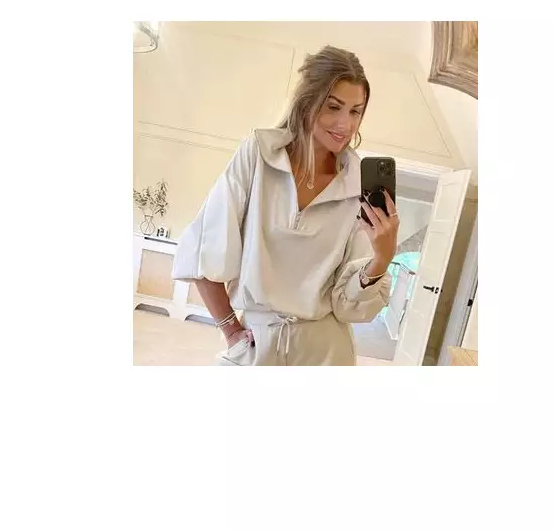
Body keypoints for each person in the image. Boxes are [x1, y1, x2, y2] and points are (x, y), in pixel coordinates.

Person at [171, 45, 399, 365]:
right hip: (257, 344)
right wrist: (230, 329)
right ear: (307, 102)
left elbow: (348, 305)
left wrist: (382, 258)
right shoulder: (260, 156)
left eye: (355, 111)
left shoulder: (355, 184)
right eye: (333, 107)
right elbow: (202, 248)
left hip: (326, 354)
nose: (345, 124)